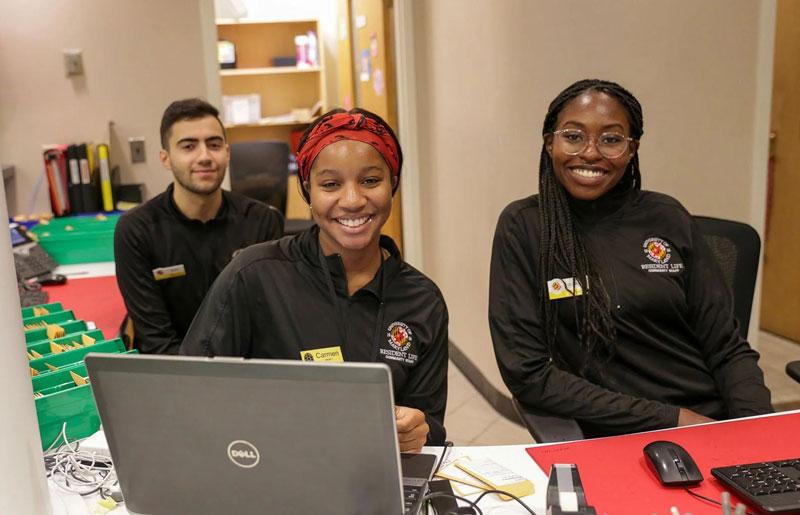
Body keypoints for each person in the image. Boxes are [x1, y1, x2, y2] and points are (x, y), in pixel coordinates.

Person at [489, 79, 773, 438]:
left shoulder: (667, 217)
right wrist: (674, 419)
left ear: (632, 149)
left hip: (710, 420)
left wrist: (758, 430)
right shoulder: (525, 227)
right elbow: (528, 375)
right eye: (573, 136)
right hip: (615, 430)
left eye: (611, 139)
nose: (590, 153)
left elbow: (726, 346)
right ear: (550, 143)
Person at [180, 108, 449, 451]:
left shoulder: (422, 300)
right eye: (331, 184)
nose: (352, 200)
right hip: (269, 467)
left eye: (370, 180)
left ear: (392, 184)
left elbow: (431, 423)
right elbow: (190, 391)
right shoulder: (254, 276)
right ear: (308, 191)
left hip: (377, 479)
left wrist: (420, 430)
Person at [114, 98, 284, 354]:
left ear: (227, 153)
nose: (204, 156)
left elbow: (266, 322)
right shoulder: (136, 230)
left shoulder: (262, 221)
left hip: (243, 368)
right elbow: (156, 341)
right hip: (174, 371)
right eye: (188, 146)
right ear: (166, 158)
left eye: (213, 145)